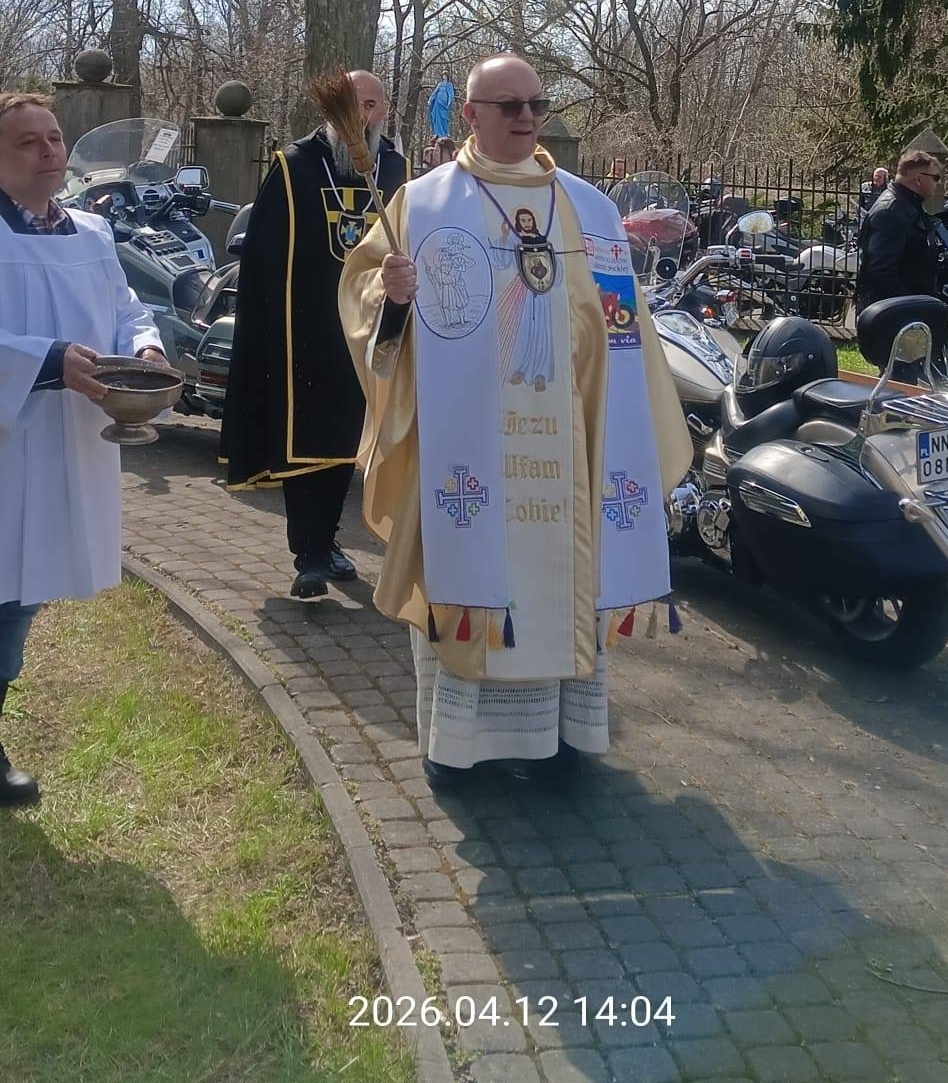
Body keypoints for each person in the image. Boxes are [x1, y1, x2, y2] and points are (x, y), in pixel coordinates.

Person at [339, 53, 691, 788]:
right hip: (468, 449)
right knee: (467, 580)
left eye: (536, 104)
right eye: (508, 106)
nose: (527, 117)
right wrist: (392, 297)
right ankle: (457, 748)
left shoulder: (590, 210)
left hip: (574, 448)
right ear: (471, 115)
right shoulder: (425, 204)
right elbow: (365, 298)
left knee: (567, 580)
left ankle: (563, 743)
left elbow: (622, 330)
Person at [0, 93, 171, 851]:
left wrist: (144, 347)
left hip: (62, 449)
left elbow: (124, 308)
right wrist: (48, 361)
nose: (50, 151)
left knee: (21, 602)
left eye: (54, 138)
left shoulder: (92, 232)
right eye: (28, 143)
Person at [219, 70, 408, 599]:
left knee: (350, 443)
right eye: (355, 103)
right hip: (306, 330)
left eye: (372, 104)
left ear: (383, 110)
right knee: (308, 441)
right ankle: (308, 553)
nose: (363, 115)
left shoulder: (398, 171)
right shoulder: (294, 166)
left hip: (369, 331)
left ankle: (328, 543)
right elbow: (265, 256)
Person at [853, 151, 947, 313]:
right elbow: (880, 270)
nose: (937, 183)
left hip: (904, 307)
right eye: (935, 177)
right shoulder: (890, 211)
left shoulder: (909, 204)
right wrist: (913, 307)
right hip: (891, 312)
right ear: (919, 179)